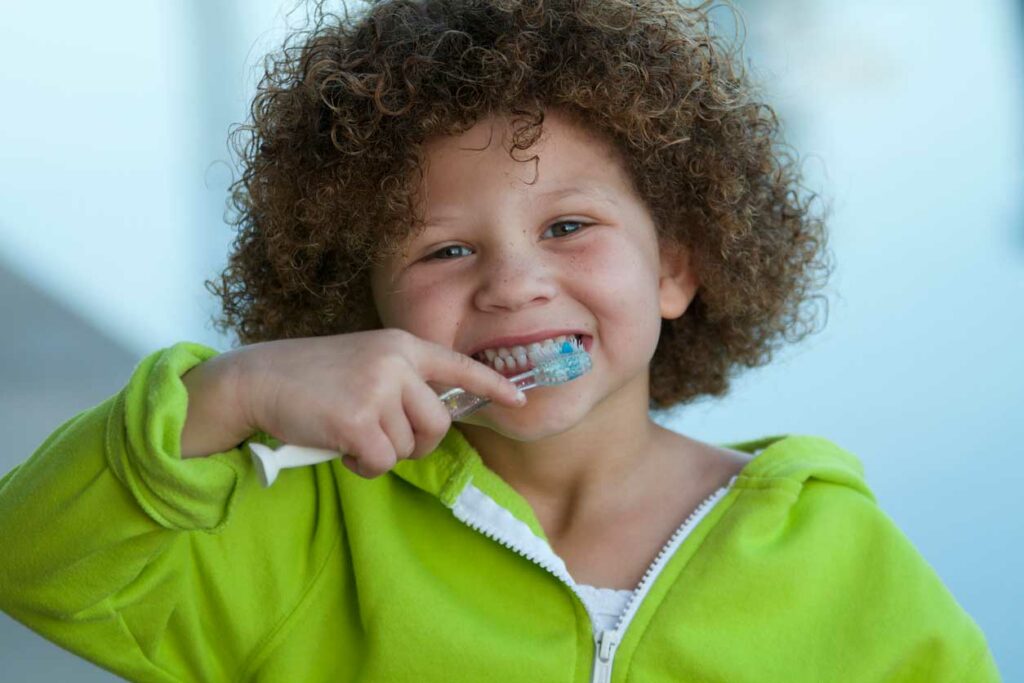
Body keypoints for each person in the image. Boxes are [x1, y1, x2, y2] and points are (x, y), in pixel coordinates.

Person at [0, 0, 1001, 681]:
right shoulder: (308, 524)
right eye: (443, 249)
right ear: (365, 307)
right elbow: (33, 560)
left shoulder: (837, 555)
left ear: (676, 268)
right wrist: (229, 394)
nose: (514, 283)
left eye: (569, 227)